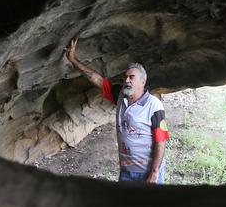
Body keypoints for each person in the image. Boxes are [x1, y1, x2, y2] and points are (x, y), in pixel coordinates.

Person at [65, 38, 169, 184]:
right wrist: (73, 60)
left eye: (131, 77)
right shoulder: (121, 96)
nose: (126, 80)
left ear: (143, 81)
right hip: (126, 173)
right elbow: (98, 80)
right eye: (125, 77)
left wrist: (154, 172)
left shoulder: (154, 105)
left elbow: (161, 140)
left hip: (148, 173)